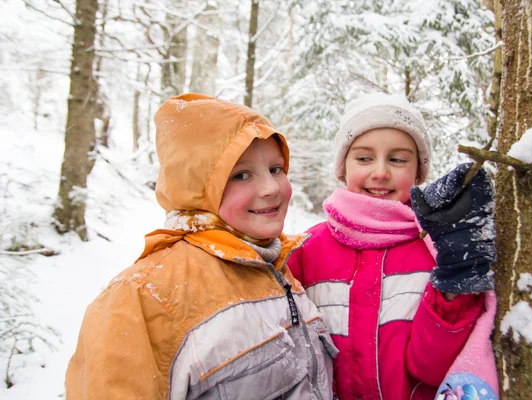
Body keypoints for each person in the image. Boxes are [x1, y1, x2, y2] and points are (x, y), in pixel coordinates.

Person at [65, 93, 337, 400]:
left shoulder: (275, 266)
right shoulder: (140, 298)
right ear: (196, 189)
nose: (271, 188)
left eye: (276, 169)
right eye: (241, 175)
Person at [287, 93, 499, 400]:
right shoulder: (306, 250)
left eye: (397, 159)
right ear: (342, 168)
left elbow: (430, 368)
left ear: (418, 172)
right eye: (364, 158)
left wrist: (455, 281)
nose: (381, 172)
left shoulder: (434, 251)